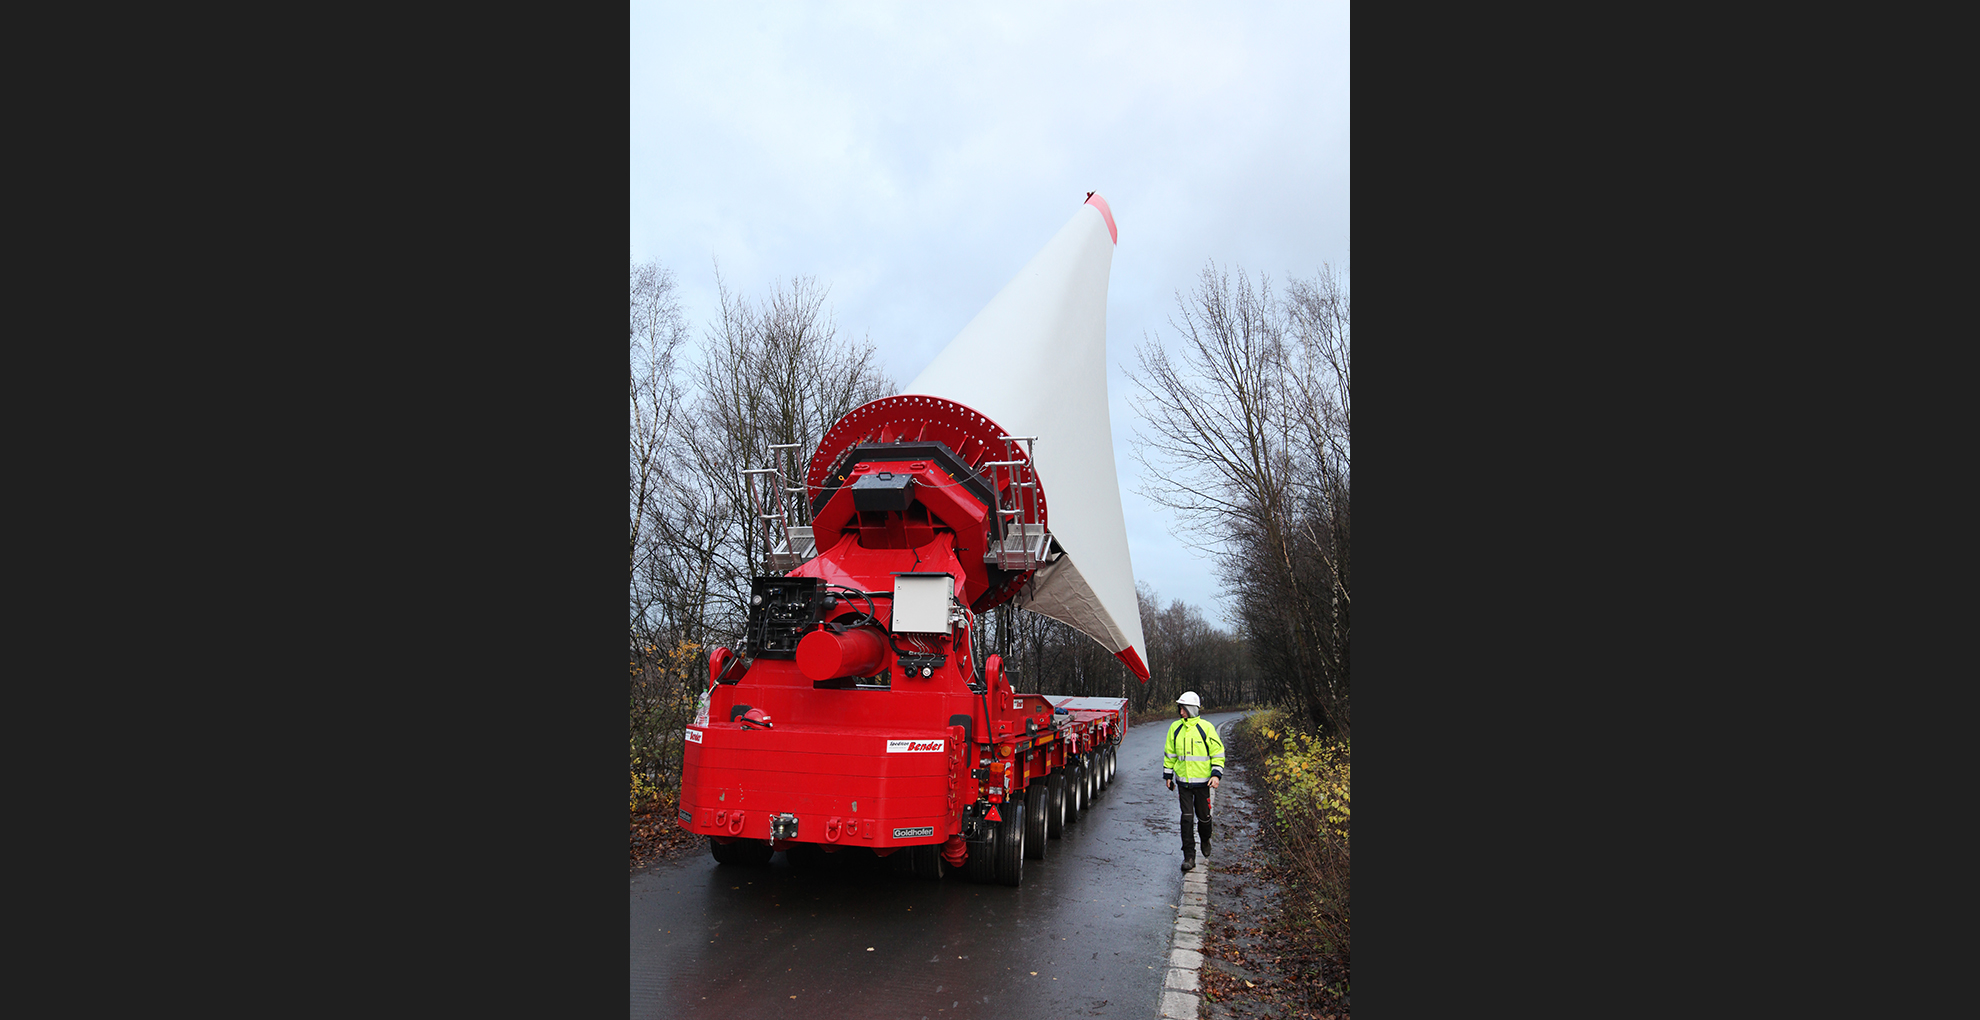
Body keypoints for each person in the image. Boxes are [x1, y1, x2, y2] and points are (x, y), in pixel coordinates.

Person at [1163, 691, 1225, 872]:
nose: (1180, 712)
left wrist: (1216, 775)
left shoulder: (1206, 728)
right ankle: (1189, 856)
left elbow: (1218, 753)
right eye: (1179, 708)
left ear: (1191, 709)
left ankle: (1205, 839)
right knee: (1186, 820)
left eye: (1183, 708)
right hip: (1184, 784)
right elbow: (1170, 754)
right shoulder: (1175, 728)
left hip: (1203, 784)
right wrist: (1168, 776)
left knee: (1204, 818)